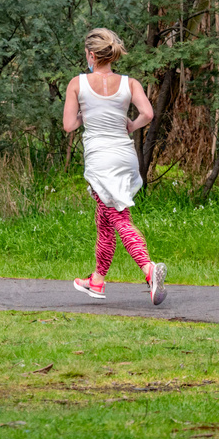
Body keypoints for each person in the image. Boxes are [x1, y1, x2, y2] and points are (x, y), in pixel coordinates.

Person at [62, 27, 168, 305]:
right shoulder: (129, 83)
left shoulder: (77, 84)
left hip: (100, 159)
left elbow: (68, 125)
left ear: (92, 55)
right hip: (125, 155)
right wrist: (131, 125)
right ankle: (97, 280)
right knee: (105, 219)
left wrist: (88, 112)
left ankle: (149, 270)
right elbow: (148, 113)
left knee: (118, 217)